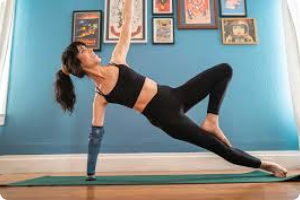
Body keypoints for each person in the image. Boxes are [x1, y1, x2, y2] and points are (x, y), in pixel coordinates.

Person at [54, 0, 288, 181]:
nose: (90, 49)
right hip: (168, 119)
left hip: (176, 95)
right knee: (218, 147)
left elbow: (127, 23)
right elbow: (95, 137)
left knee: (224, 70)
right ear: (78, 64)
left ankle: (211, 120)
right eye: (83, 50)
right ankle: (265, 165)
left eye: (86, 46)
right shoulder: (101, 97)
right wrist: (90, 172)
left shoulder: (117, 60)